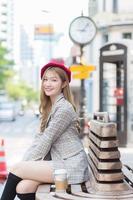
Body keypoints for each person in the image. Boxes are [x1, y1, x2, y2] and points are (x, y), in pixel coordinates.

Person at [1, 62, 89, 200]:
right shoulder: (50, 107)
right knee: (23, 187)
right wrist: (25, 164)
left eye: (54, 80)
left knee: (16, 168)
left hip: (71, 165)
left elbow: (46, 141)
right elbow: (38, 141)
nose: (48, 84)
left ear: (64, 84)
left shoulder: (64, 108)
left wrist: (23, 166)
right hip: (59, 163)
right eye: (45, 79)